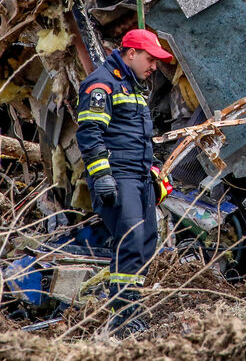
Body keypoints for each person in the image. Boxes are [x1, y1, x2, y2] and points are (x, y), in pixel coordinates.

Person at [75, 28, 173, 336]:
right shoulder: (101, 84)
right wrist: (102, 175)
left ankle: (132, 309)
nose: (154, 66)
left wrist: (154, 171)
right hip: (119, 178)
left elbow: (139, 139)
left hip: (140, 178)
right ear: (131, 53)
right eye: (150, 59)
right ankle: (124, 319)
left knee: (145, 243)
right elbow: (90, 133)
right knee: (129, 242)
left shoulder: (134, 88)